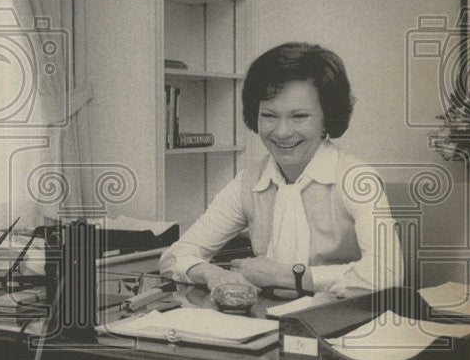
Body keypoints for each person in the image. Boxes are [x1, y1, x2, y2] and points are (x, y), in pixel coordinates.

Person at [159, 43, 403, 297]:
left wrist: (287, 276)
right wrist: (213, 274)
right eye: (269, 116)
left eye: (299, 116)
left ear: (327, 118)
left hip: (346, 326)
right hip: (268, 323)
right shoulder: (250, 181)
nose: (282, 132)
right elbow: (174, 256)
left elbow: (387, 275)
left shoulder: (357, 178)